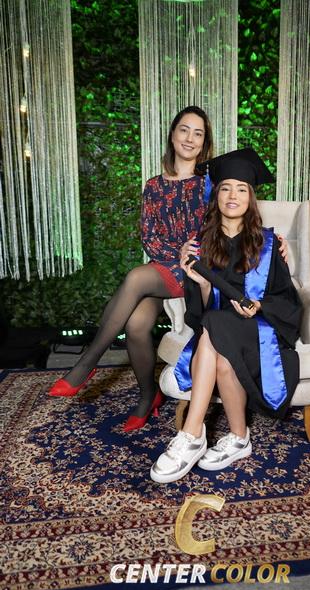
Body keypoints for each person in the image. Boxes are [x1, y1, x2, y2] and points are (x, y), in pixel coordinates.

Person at [49, 108, 288, 432]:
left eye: (198, 133)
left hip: (199, 268)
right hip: (163, 267)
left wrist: (275, 240)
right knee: (136, 325)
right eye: (184, 130)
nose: (190, 138)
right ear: (172, 134)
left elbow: (238, 215)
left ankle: (87, 363)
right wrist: (175, 256)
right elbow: (149, 237)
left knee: (136, 277)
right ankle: (148, 397)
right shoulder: (153, 186)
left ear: (205, 142)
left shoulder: (211, 182)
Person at [150, 148, 302, 484]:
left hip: (261, 333)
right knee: (218, 344)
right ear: (216, 195)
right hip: (217, 333)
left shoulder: (268, 244)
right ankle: (239, 437)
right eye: (226, 188)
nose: (233, 195)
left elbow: (289, 302)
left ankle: (191, 434)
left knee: (214, 328)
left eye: (241, 189)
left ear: (250, 197)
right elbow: (201, 313)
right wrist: (203, 284)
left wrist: (259, 306)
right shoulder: (201, 245)